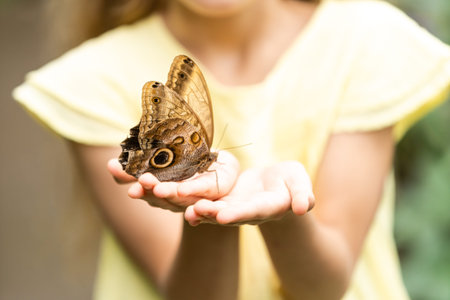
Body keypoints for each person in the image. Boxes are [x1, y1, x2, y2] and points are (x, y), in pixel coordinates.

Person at [13, 0, 450, 299]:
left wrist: (283, 218)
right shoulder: (96, 79)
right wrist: (210, 212)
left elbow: (322, 289)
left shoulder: (364, 39)